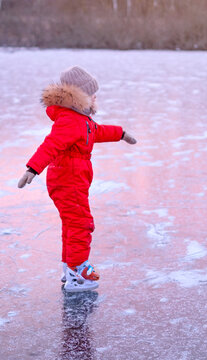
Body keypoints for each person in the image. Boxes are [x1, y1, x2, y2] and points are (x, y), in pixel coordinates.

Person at [18, 66, 137, 292]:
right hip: (68, 181)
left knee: (71, 224)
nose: (96, 98)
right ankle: (78, 271)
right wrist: (32, 169)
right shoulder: (70, 121)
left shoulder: (81, 120)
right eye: (92, 94)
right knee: (82, 223)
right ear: (79, 96)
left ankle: (69, 269)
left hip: (71, 180)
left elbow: (98, 131)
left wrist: (121, 133)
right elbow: (51, 144)